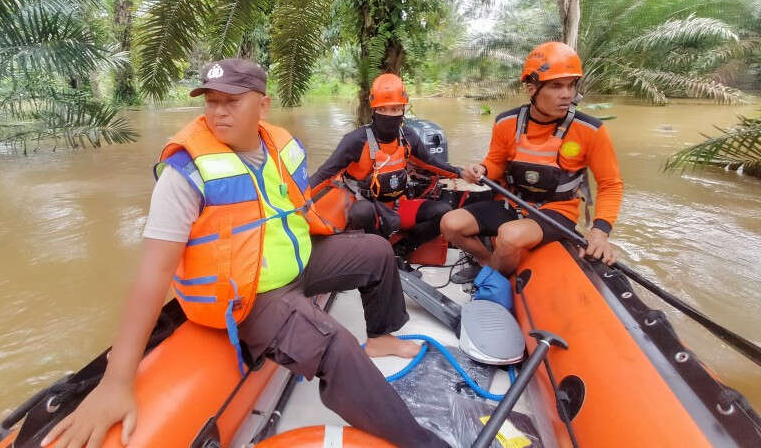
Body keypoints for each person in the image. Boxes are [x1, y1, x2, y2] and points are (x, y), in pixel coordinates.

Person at [41, 59, 445, 448]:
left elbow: (294, 211)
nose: (219, 112)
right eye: (211, 101)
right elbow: (151, 275)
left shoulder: (281, 146)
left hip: (294, 263)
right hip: (248, 295)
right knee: (335, 345)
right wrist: (117, 380)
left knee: (375, 250)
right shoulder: (187, 172)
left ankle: (380, 337)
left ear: (262, 104)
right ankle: (420, 442)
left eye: (231, 101)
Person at [440, 42, 623, 276]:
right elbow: (495, 163)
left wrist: (600, 230)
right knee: (450, 224)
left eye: (571, 86)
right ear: (531, 88)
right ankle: (487, 263)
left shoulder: (590, 130)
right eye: (556, 86)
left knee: (509, 235)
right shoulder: (506, 123)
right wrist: (481, 169)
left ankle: (491, 281)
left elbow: (610, 184)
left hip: (557, 212)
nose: (567, 94)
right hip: (512, 203)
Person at [310, 73, 475, 255]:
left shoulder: (408, 137)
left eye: (395, 109)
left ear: (404, 109)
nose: (390, 115)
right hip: (363, 206)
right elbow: (323, 175)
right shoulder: (355, 141)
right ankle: (378, 252)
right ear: (374, 110)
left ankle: (403, 249)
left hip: (396, 205)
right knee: (362, 211)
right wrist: (294, 199)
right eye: (383, 109)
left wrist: (460, 173)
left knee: (443, 211)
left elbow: (431, 163)